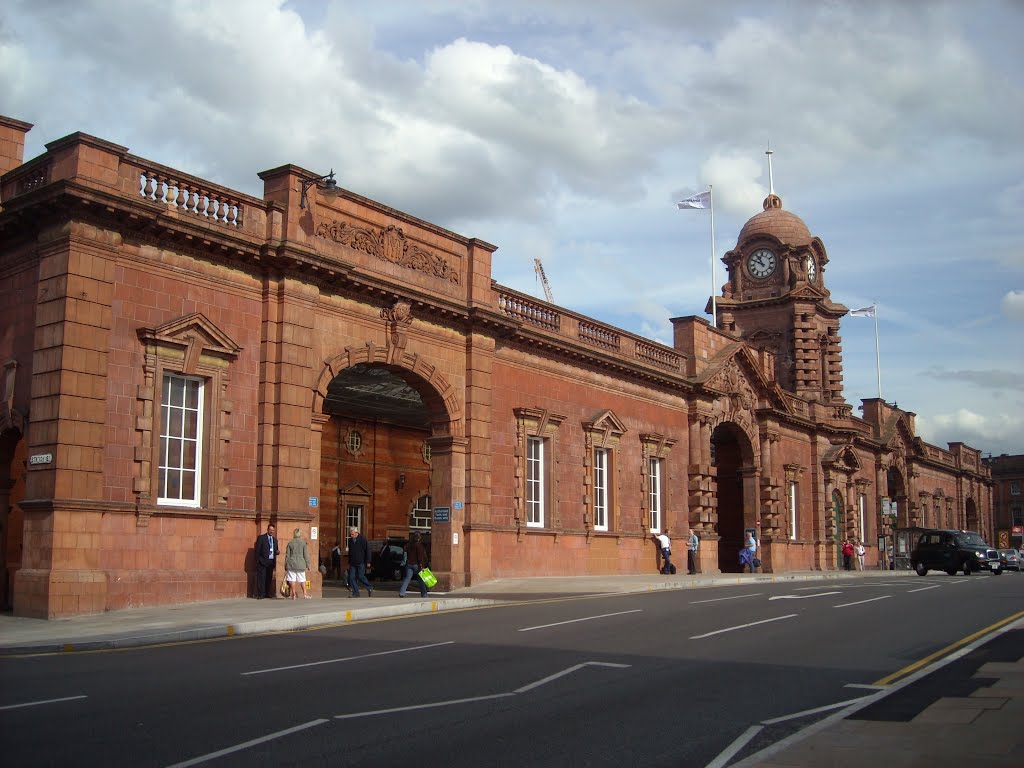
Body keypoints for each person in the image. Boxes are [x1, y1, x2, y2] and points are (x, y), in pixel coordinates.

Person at [398, 531, 430, 598]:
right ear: (419, 537)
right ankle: (424, 594)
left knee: (407, 579)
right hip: (417, 565)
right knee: (421, 580)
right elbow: (420, 557)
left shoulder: (408, 545)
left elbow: (405, 553)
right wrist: (422, 566)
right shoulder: (419, 545)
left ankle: (402, 592)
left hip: (409, 564)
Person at [284, 527, 311, 599]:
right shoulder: (303, 543)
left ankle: (293, 594)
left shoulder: (290, 543)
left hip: (291, 563)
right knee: (302, 579)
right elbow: (305, 555)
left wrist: (286, 565)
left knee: (292, 579)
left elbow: (287, 555)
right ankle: (305, 594)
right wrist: (308, 564)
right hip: (301, 564)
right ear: (300, 534)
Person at [347, 526, 374, 598]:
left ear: (356, 533)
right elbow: (350, 552)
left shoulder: (363, 539)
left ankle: (369, 587)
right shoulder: (350, 541)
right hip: (353, 563)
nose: (351, 536)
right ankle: (356, 593)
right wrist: (349, 563)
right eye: (350, 534)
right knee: (351, 577)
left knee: (360, 576)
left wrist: (368, 561)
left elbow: (368, 550)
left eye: (352, 534)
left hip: (361, 562)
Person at [254, 523, 278, 599]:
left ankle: (267, 593)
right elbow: (257, 550)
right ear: (267, 530)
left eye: (273, 530)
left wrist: (277, 552)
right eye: (270, 530)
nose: (271, 531)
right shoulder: (261, 538)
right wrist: (259, 560)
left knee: (268, 578)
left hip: (271, 562)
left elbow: (276, 549)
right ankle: (261, 594)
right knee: (261, 578)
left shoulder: (275, 540)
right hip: (263, 561)